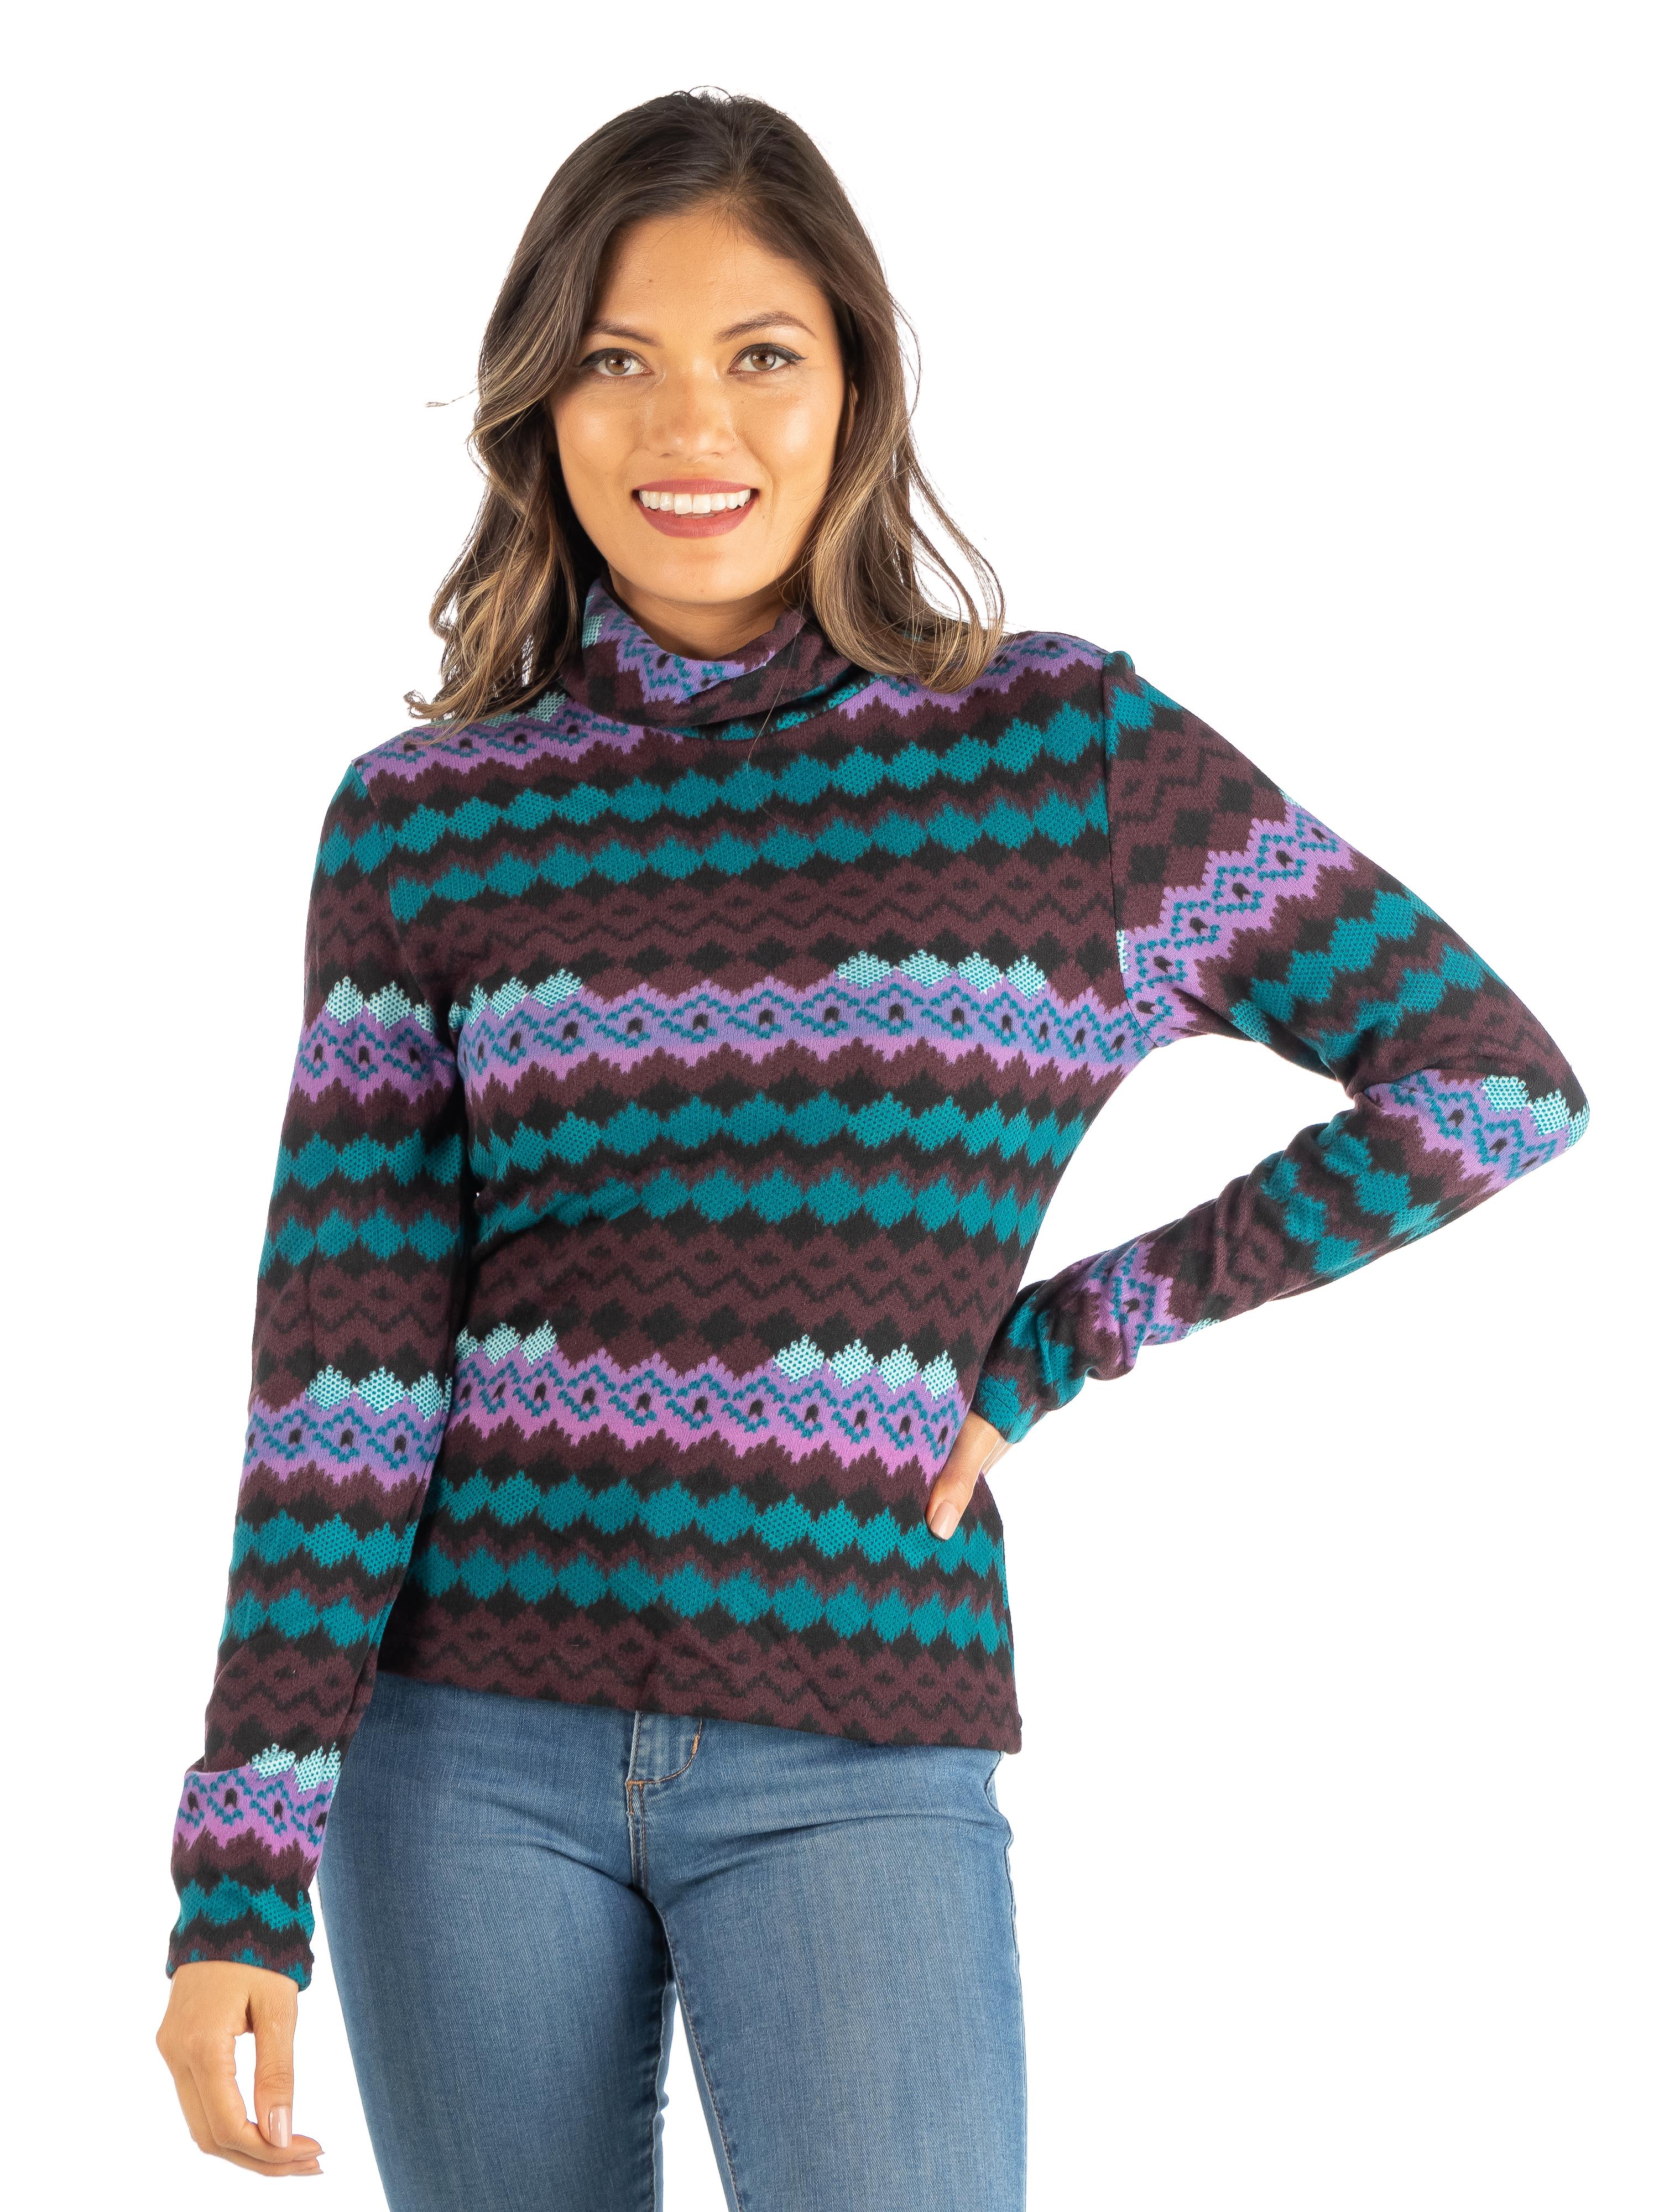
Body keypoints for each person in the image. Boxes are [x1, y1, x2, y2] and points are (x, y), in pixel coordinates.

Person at [155, 88, 1587, 2212]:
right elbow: (343, 1368)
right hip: (456, 1755)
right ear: (543, 404)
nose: (689, 426)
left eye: (761, 355)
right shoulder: (427, 819)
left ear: (855, 386)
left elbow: (1486, 1084)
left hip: (861, 1730)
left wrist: (1067, 1338)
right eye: (618, 360)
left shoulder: (1064, 758)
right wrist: (238, 1868)